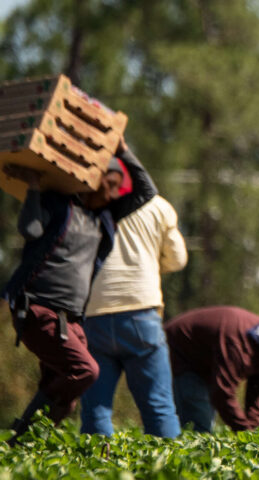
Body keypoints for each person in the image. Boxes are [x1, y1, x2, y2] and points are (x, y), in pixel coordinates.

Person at [2, 137, 157, 445]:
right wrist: (34, 187)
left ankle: (25, 449)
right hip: (37, 309)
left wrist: (123, 150)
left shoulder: (105, 219)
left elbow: (146, 191)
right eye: (109, 184)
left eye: (117, 187)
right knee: (84, 371)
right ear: (90, 180)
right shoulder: (59, 205)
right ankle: (20, 441)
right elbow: (30, 231)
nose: (113, 193)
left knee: (65, 393)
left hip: (71, 320)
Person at [79, 193, 188, 438]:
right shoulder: (158, 205)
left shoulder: (86, 201)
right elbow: (178, 259)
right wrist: (151, 264)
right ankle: (167, 472)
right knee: (158, 407)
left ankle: (95, 471)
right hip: (140, 312)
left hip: (94, 312)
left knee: (96, 409)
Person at [164, 306, 259, 432]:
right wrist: (244, 431)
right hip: (179, 351)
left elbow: (256, 397)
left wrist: (257, 434)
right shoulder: (238, 345)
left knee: (205, 421)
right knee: (198, 423)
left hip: (206, 362)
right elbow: (222, 393)